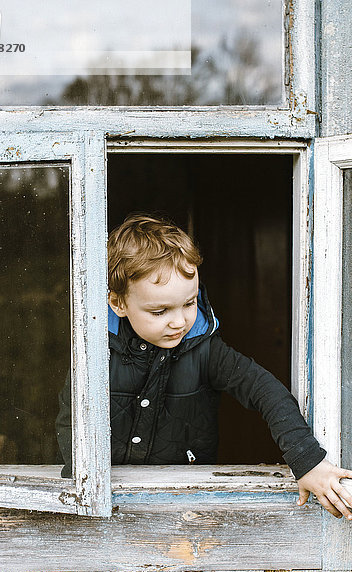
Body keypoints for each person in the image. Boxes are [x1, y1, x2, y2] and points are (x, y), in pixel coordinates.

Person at [56, 214, 352, 520]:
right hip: (108, 505)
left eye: (189, 303)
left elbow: (266, 391)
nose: (179, 321)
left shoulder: (206, 349)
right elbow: (72, 419)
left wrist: (308, 462)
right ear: (117, 304)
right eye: (159, 311)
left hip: (186, 504)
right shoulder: (95, 352)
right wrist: (83, 482)